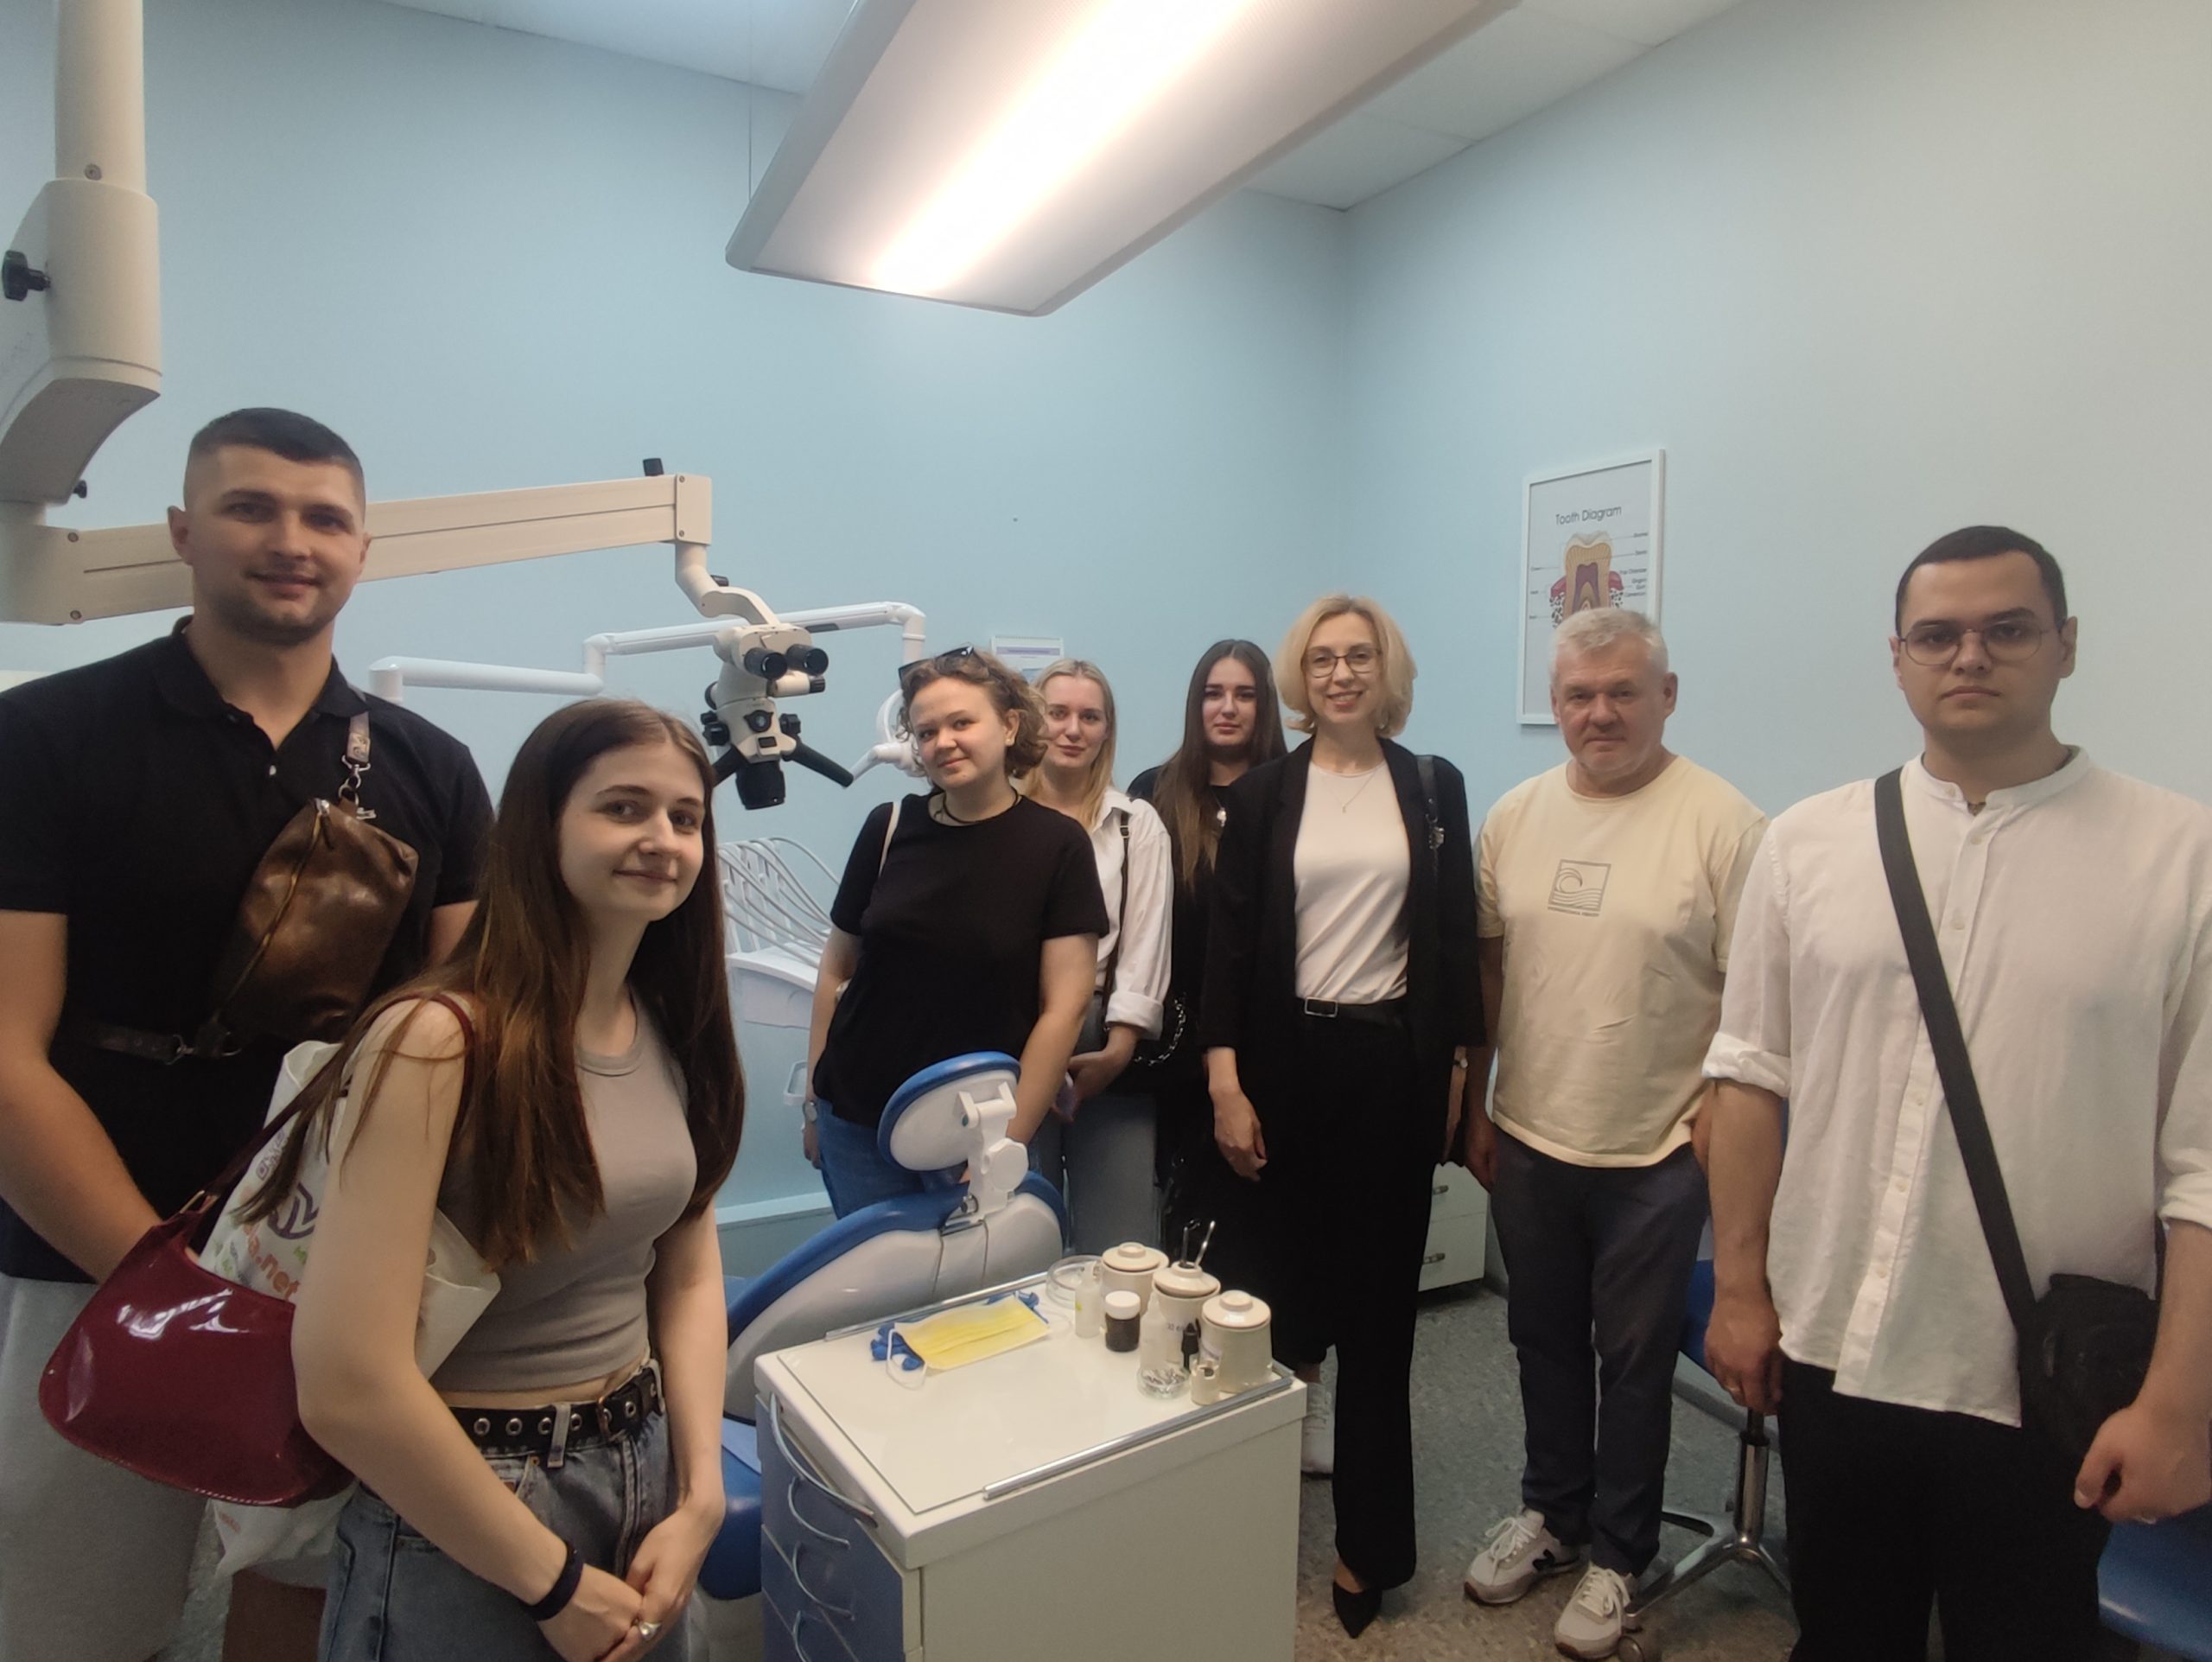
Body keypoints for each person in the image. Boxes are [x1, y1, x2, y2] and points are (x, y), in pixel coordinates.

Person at [0, 409, 493, 1662]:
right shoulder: (46, 737)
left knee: (296, 1594)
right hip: (91, 1265)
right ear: (184, 531)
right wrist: (163, 1288)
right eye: (250, 508)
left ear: (363, 549)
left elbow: (469, 1033)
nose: (291, 540)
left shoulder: (431, 771)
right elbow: (7, 1053)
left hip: (330, 1277)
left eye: (325, 518)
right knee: (75, 1613)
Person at [1701, 526, 2212, 1662]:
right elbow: (1746, 1077)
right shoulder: (1808, 842)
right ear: (1897, 658)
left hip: (2037, 1374)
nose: (1969, 656)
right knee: (1845, 1630)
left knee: (2022, 1638)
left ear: (2065, 644)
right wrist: (1739, 1288)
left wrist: (2180, 1399)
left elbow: (2203, 1169)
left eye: (2006, 629)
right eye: (1936, 635)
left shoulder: (2179, 858)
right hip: (1835, 1342)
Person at [281, 697, 744, 1662]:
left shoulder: (670, 1026)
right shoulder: (435, 1040)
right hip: (472, 1496)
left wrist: (701, 1493)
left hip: (645, 1462)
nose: (662, 839)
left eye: (685, 817)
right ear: (542, 825)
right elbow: (346, 1382)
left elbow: (688, 1269)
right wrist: (551, 1581)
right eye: (623, 807)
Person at [1460, 608, 1765, 1659]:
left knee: (1633, 1362)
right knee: (1539, 1337)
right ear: (1554, 705)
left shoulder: (1724, 824)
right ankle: (1553, 1513)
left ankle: (1620, 1556)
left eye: (1622, 692)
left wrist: (1714, 1114)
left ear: (1665, 697)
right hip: (1531, 1131)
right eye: (1579, 696)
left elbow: (1758, 996)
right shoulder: (1515, 816)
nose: (1600, 713)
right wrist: (1477, 1099)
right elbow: (1490, 969)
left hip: (1656, 1147)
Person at [1202, 595, 1483, 1638]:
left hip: (1389, 1068)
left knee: (1379, 1317)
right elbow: (1228, 948)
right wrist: (1225, 1083)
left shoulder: (1432, 785)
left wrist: (1458, 1072)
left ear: (1385, 670)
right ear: (1301, 676)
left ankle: (1371, 1546)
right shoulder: (1265, 792)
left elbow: (1452, 936)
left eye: (1359, 655)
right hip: (1282, 1066)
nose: (1340, 673)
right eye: (1321, 658)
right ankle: (1243, 1516)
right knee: (1269, 1307)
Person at [805, 647, 1106, 1213]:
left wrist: (1008, 1142)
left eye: (962, 723)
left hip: (978, 1131)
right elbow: (835, 969)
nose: (943, 742)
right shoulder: (889, 827)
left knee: (985, 1274)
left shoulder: (1057, 847)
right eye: (927, 732)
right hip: (857, 1122)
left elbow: (1064, 1009)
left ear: (1010, 725)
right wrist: (813, 1105)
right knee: (877, 1274)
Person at [1130, 640, 1287, 1278]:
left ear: (1265, 705)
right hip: (1179, 1046)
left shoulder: (1294, 791)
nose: (1228, 708)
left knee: (1267, 1216)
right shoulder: (1155, 794)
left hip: (1273, 1039)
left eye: (1244, 694)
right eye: (1213, 694)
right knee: (1188, 1223)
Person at [1021, 659, 1173, 1252]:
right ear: (1029, 721)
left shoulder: (1136, 824)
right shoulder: (999, 816)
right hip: (1015, 1033)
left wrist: (1120, 1047)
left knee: (1120, 1239)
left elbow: (1147, 938)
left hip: (1105, 1034)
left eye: (1090, 716)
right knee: (1016, 1229)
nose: (1072, 729)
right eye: (1057, 713)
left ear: (1108, 729)